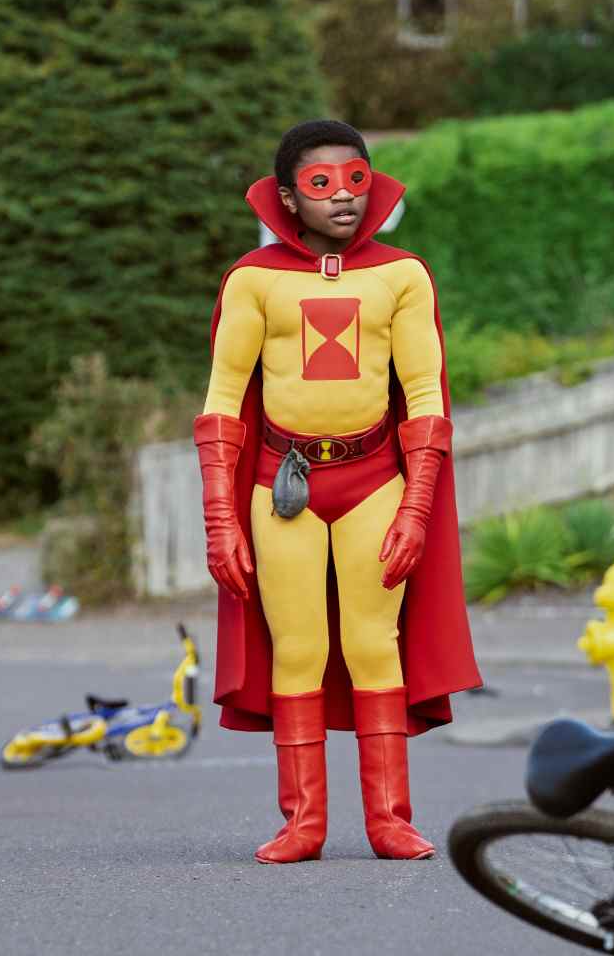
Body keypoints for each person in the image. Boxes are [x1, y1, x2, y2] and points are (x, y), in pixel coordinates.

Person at [193, 119, 481, 864]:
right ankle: (303, 823)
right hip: (280, 483)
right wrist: (219, 517)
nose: (344, 198)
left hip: (373, 480)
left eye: (356, 180)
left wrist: (417, 507)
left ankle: (389, 819)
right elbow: (223, 398)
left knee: (370, 642)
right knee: (298, 649)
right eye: (321, 185)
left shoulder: (402, 275)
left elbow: (424, 397)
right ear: (288, 198)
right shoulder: (253, 280)